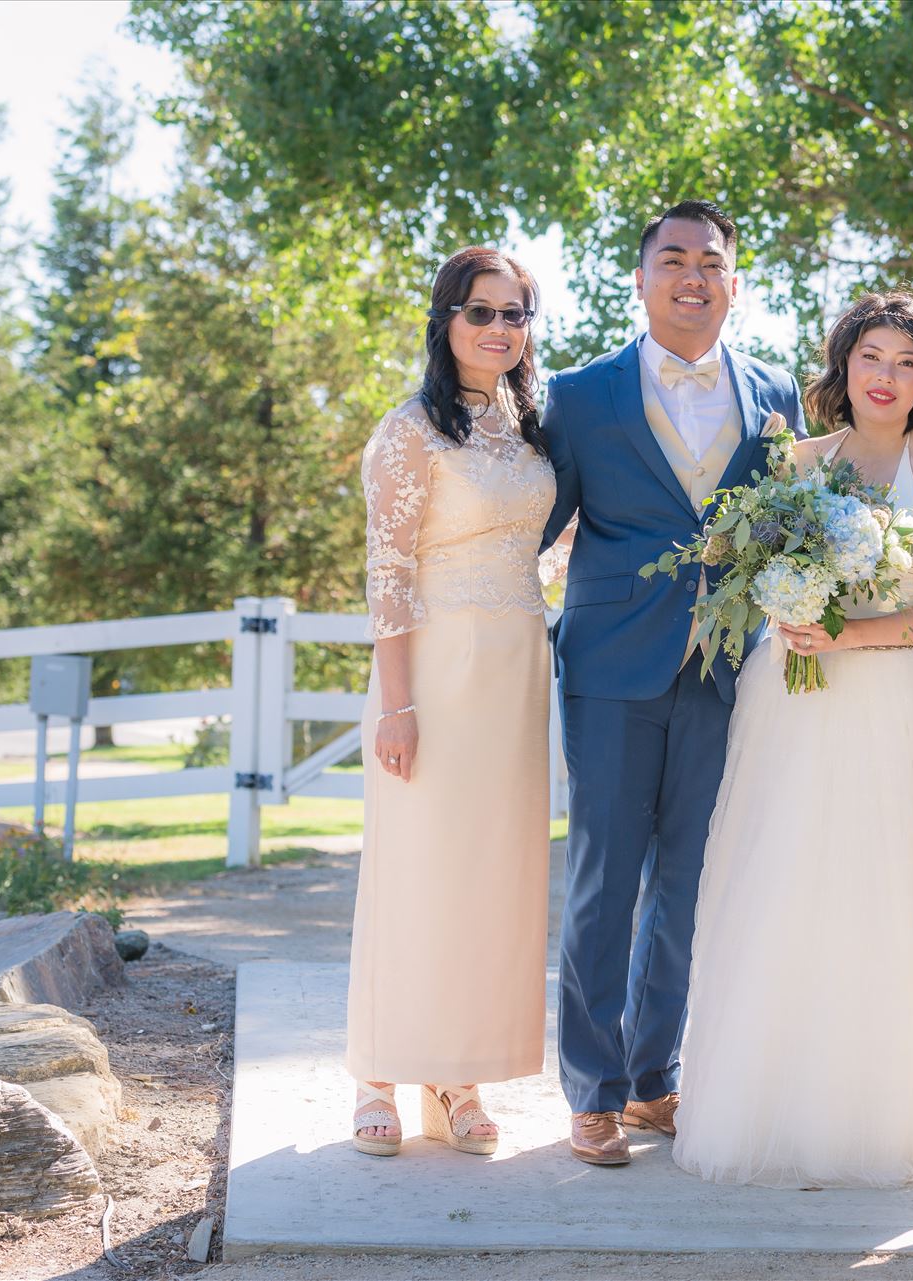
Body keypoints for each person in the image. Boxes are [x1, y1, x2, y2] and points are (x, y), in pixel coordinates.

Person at [672, 292, 913, 1189]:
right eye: (871, 357)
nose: (885, 377)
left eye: (907, 363)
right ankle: (774, 1100)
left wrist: (846, 634)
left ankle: (876, 1109)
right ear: (843, 365)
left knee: (885, 890)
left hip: (895, 699)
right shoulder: (799, 461)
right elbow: (749, 565)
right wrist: (792, 603)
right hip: (794, 699)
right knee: (785, 880)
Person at [537, 200, 805, 1166]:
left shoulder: (776, 393)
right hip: (611, 664)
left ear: (735, 281)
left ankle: (655, 1078)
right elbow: (534, 524)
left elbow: (792, 524)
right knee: (605, 878)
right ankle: (592, 1089)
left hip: (727, 671)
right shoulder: (577, 393)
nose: (694, 276)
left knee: (689, 882)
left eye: (712, 262)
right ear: (641, 277)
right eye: (674, 260)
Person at [347, 247, 561, 1157]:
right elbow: (388, 572)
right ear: (446, 322)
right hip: (432, 673)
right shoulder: (410, 431)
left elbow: (541, 546)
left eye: (515, 314)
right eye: (482, 312)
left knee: (491, 880)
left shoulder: (532, 429)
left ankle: (457, 1073)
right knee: (417, 868)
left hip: (517, 671)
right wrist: (397, 706)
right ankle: (376, 1070)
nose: (500, 329)